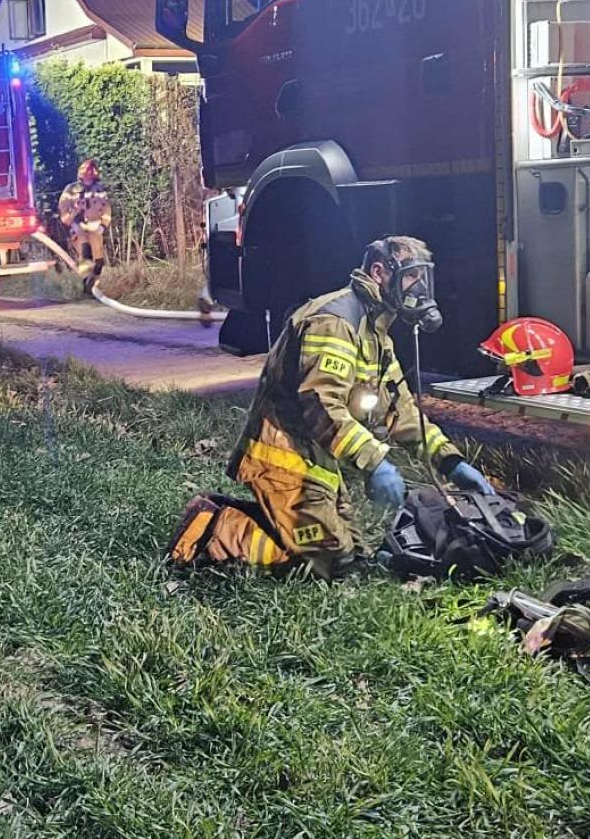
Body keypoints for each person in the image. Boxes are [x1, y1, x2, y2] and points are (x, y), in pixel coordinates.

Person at [171, 237, 493, 578]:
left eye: (422, 277)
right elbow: (320, 404)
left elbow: (401, 410)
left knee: (353, 554)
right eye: (412, 276)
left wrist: (450, 461)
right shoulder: (336, 321)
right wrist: (375, 462)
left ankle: (263, 521)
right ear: (379, 272)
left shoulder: (375, 331)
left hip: (315, 461)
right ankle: (211, 529)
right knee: (325, 563)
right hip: (282, 459)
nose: (420, 287)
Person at [56, 159, 111, 295]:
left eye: (91, 173)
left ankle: (95, 285)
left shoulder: (99, 190)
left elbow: (106, 209)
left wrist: (103, 226)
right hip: (78, 227)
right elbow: (63, 208)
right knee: (84, 253)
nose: (88, 176)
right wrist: (72, 224)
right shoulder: (70, 190)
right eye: (86, 173)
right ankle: (86, 285)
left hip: (94, 227)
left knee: (98, 258)